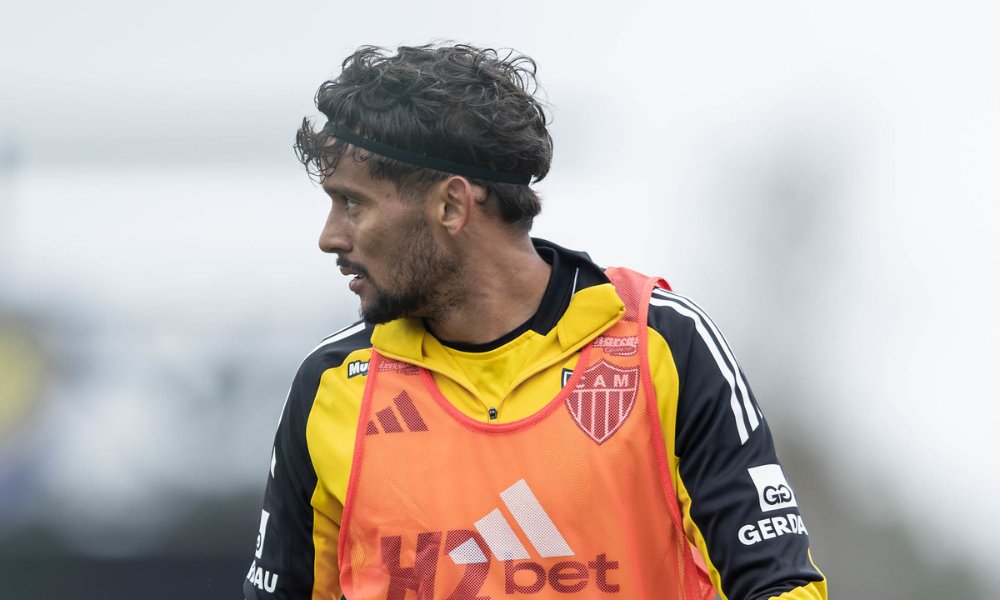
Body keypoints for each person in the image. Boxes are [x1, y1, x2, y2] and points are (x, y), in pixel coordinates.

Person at [244, 43, 827, 600]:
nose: (330, 238)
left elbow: (779, 585)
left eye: (353, 203)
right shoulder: (330, 385)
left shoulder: (661, 345)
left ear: (451, 205)